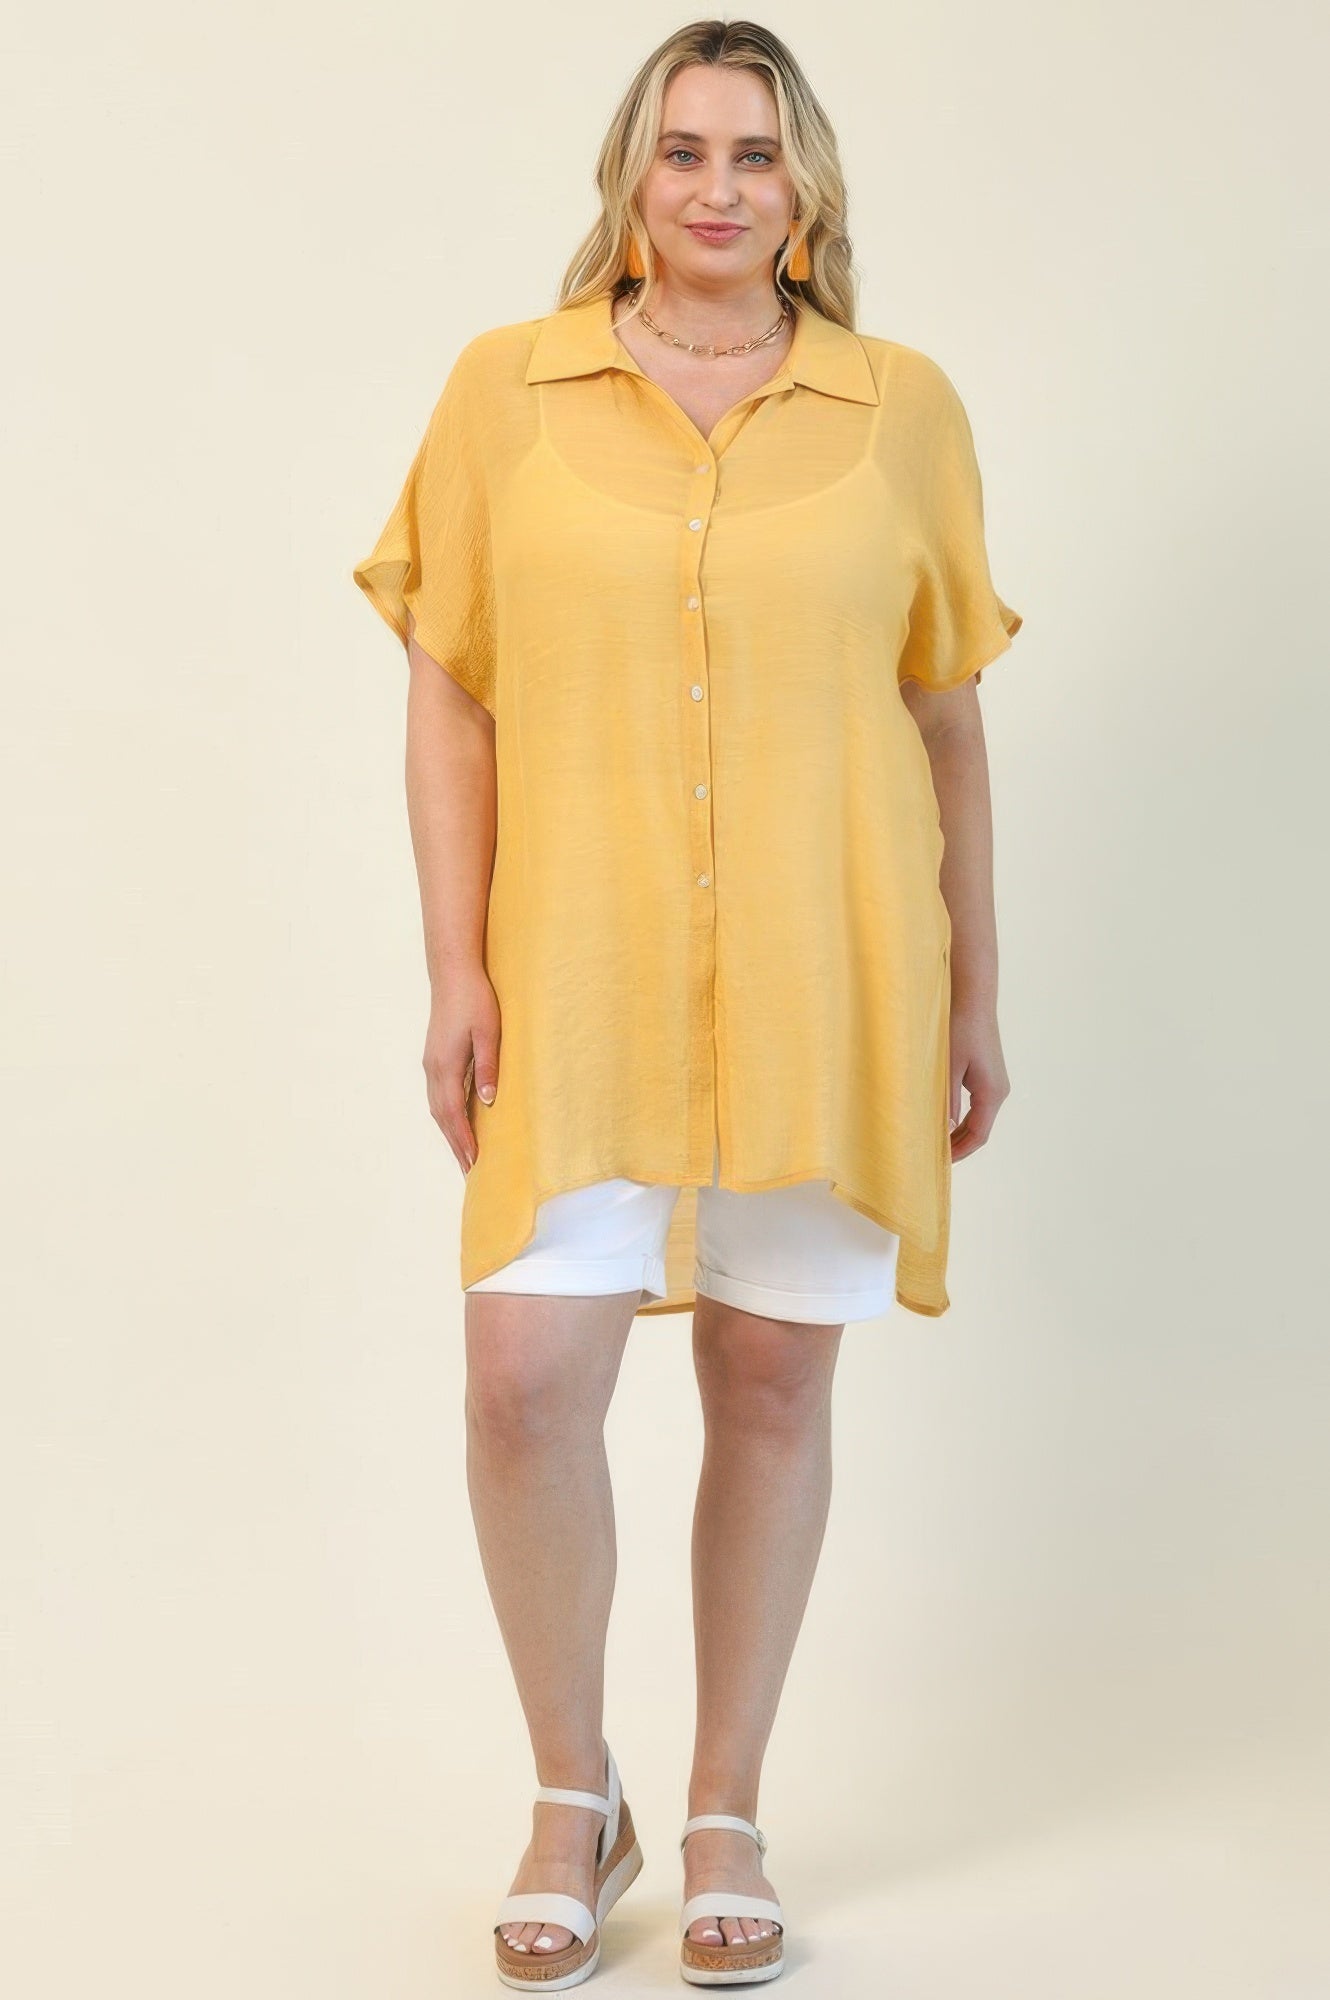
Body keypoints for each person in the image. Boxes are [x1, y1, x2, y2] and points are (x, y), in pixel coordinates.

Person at [351, 19, 1022, 1991]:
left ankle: (727, 1803)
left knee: (770, 1376)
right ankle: (577, 1792)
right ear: (626, 178)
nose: (716, 187)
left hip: (834, 966)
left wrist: (976, 987)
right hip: (577, 970)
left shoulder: (900, 408)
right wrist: (453, 965)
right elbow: (449, 689)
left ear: (804, 185)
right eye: (681, 151)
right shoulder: (506, 391)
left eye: (753, 153)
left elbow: (942, 716)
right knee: (520, 1377)